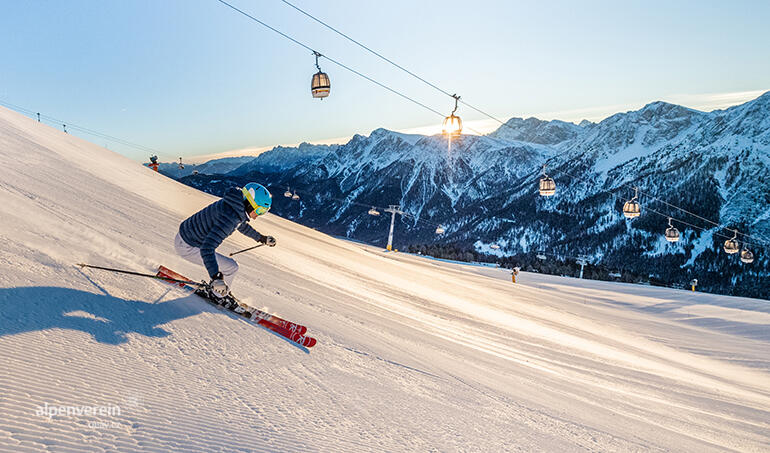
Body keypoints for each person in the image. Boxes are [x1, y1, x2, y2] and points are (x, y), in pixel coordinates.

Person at [175, 183, 276, 309]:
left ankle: (220, 291)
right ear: (250, 204)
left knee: (228, 266)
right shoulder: (231, 218)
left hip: (186, 237)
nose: (258, 216)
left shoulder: (234, 205)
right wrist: (216, 278)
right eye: (259, 210)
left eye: (264, 212)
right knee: (231, 268)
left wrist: (261, 238)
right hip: (188, 246)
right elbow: (207, 248)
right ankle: (218, 295)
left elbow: (241, 225)